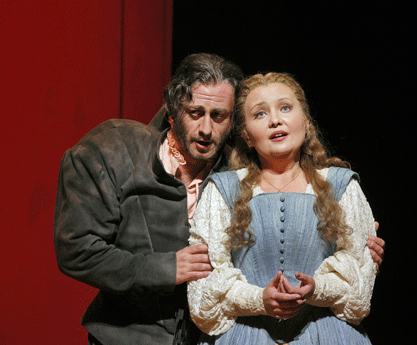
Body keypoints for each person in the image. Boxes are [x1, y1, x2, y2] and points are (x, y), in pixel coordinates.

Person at [54, 53, 384, 345]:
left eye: (219, 116)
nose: (206, 129)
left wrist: (356, 245)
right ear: (172, 109)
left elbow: (290, 219)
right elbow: (77, 249)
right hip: (129, 335)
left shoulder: (236, 175)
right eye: (194, 112)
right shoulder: (115, 151)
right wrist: (167, 267)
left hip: (208, 336)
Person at [188, 72, 378, 344]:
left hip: (328, 334)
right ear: (247, 135)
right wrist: (258, 300)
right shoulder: (222, 190)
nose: (275, 119)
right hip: (246, 335)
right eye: (260, 114)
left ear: (306, 121)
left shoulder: (341, 186)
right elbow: (204, 296)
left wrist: (317, 290)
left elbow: (358, 291)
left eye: (285, 108)